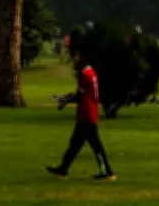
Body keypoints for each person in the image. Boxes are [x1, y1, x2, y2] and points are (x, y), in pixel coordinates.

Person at [46, 48, 116, 181]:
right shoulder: (91, 72)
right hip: (88, 113)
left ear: (83, 58)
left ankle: (107, 171)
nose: (75, 59)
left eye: (77, 57)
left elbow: (79, 95)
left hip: (86, 115)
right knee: (75, 143)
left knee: (95, 145)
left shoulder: (85, 74)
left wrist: (65, 102)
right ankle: (63, 170)